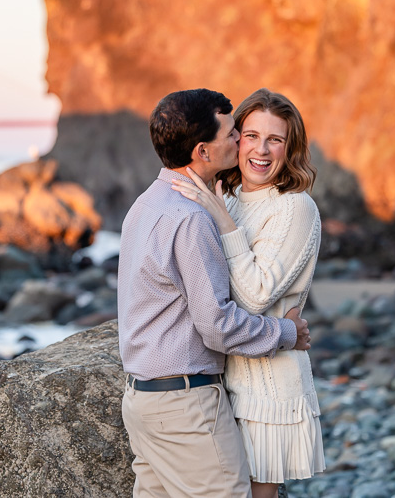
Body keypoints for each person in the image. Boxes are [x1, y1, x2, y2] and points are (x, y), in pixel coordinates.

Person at [117, 88, 311, 498]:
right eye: (234, 133)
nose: (241, 141)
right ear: (203, 151)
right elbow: (217, 325)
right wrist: (287, 332)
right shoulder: (191, 217)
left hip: (141, 399)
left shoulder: (146, 204)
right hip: (184, 406)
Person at [171, 88, 325, 498]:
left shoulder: (295, 207)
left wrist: (222, 220)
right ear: (235, 138)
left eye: (275, 139)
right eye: (252, 135)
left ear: (290, 148)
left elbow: (255, 297)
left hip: (267, 392)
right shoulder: (229, 196)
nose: (261, 150)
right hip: (221, 384)